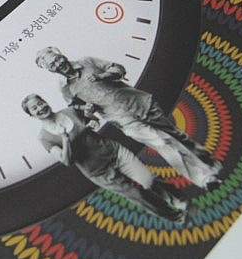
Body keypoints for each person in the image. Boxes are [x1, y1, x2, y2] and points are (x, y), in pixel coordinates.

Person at [35, 47, 221, 190]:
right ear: (51, 70)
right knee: (163, 142)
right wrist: (87, 109)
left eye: (57, 59)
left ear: (62, 54)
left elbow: (118, 68)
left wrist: (103, 76)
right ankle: (204, 178)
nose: (58, 64)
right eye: (52, 65)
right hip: (122, 120)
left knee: (175, 135)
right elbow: (77, 108)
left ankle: (205, 159)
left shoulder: (87, 61)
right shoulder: (66, 90)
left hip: (140, 103)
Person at [21, 94, 188, 222]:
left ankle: (175, 199)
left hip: (114, 152)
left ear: (46, 101)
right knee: (138, 195)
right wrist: (65, 139)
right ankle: (174, 216)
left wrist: (92, 120)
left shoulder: (69, 112)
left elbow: (92, 120)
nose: (40, 108)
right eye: (35, 108)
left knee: (148, 180)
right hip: (98, 171)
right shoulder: (44, 138)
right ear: (32, 115)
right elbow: (66, 161)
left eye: (40, 103)